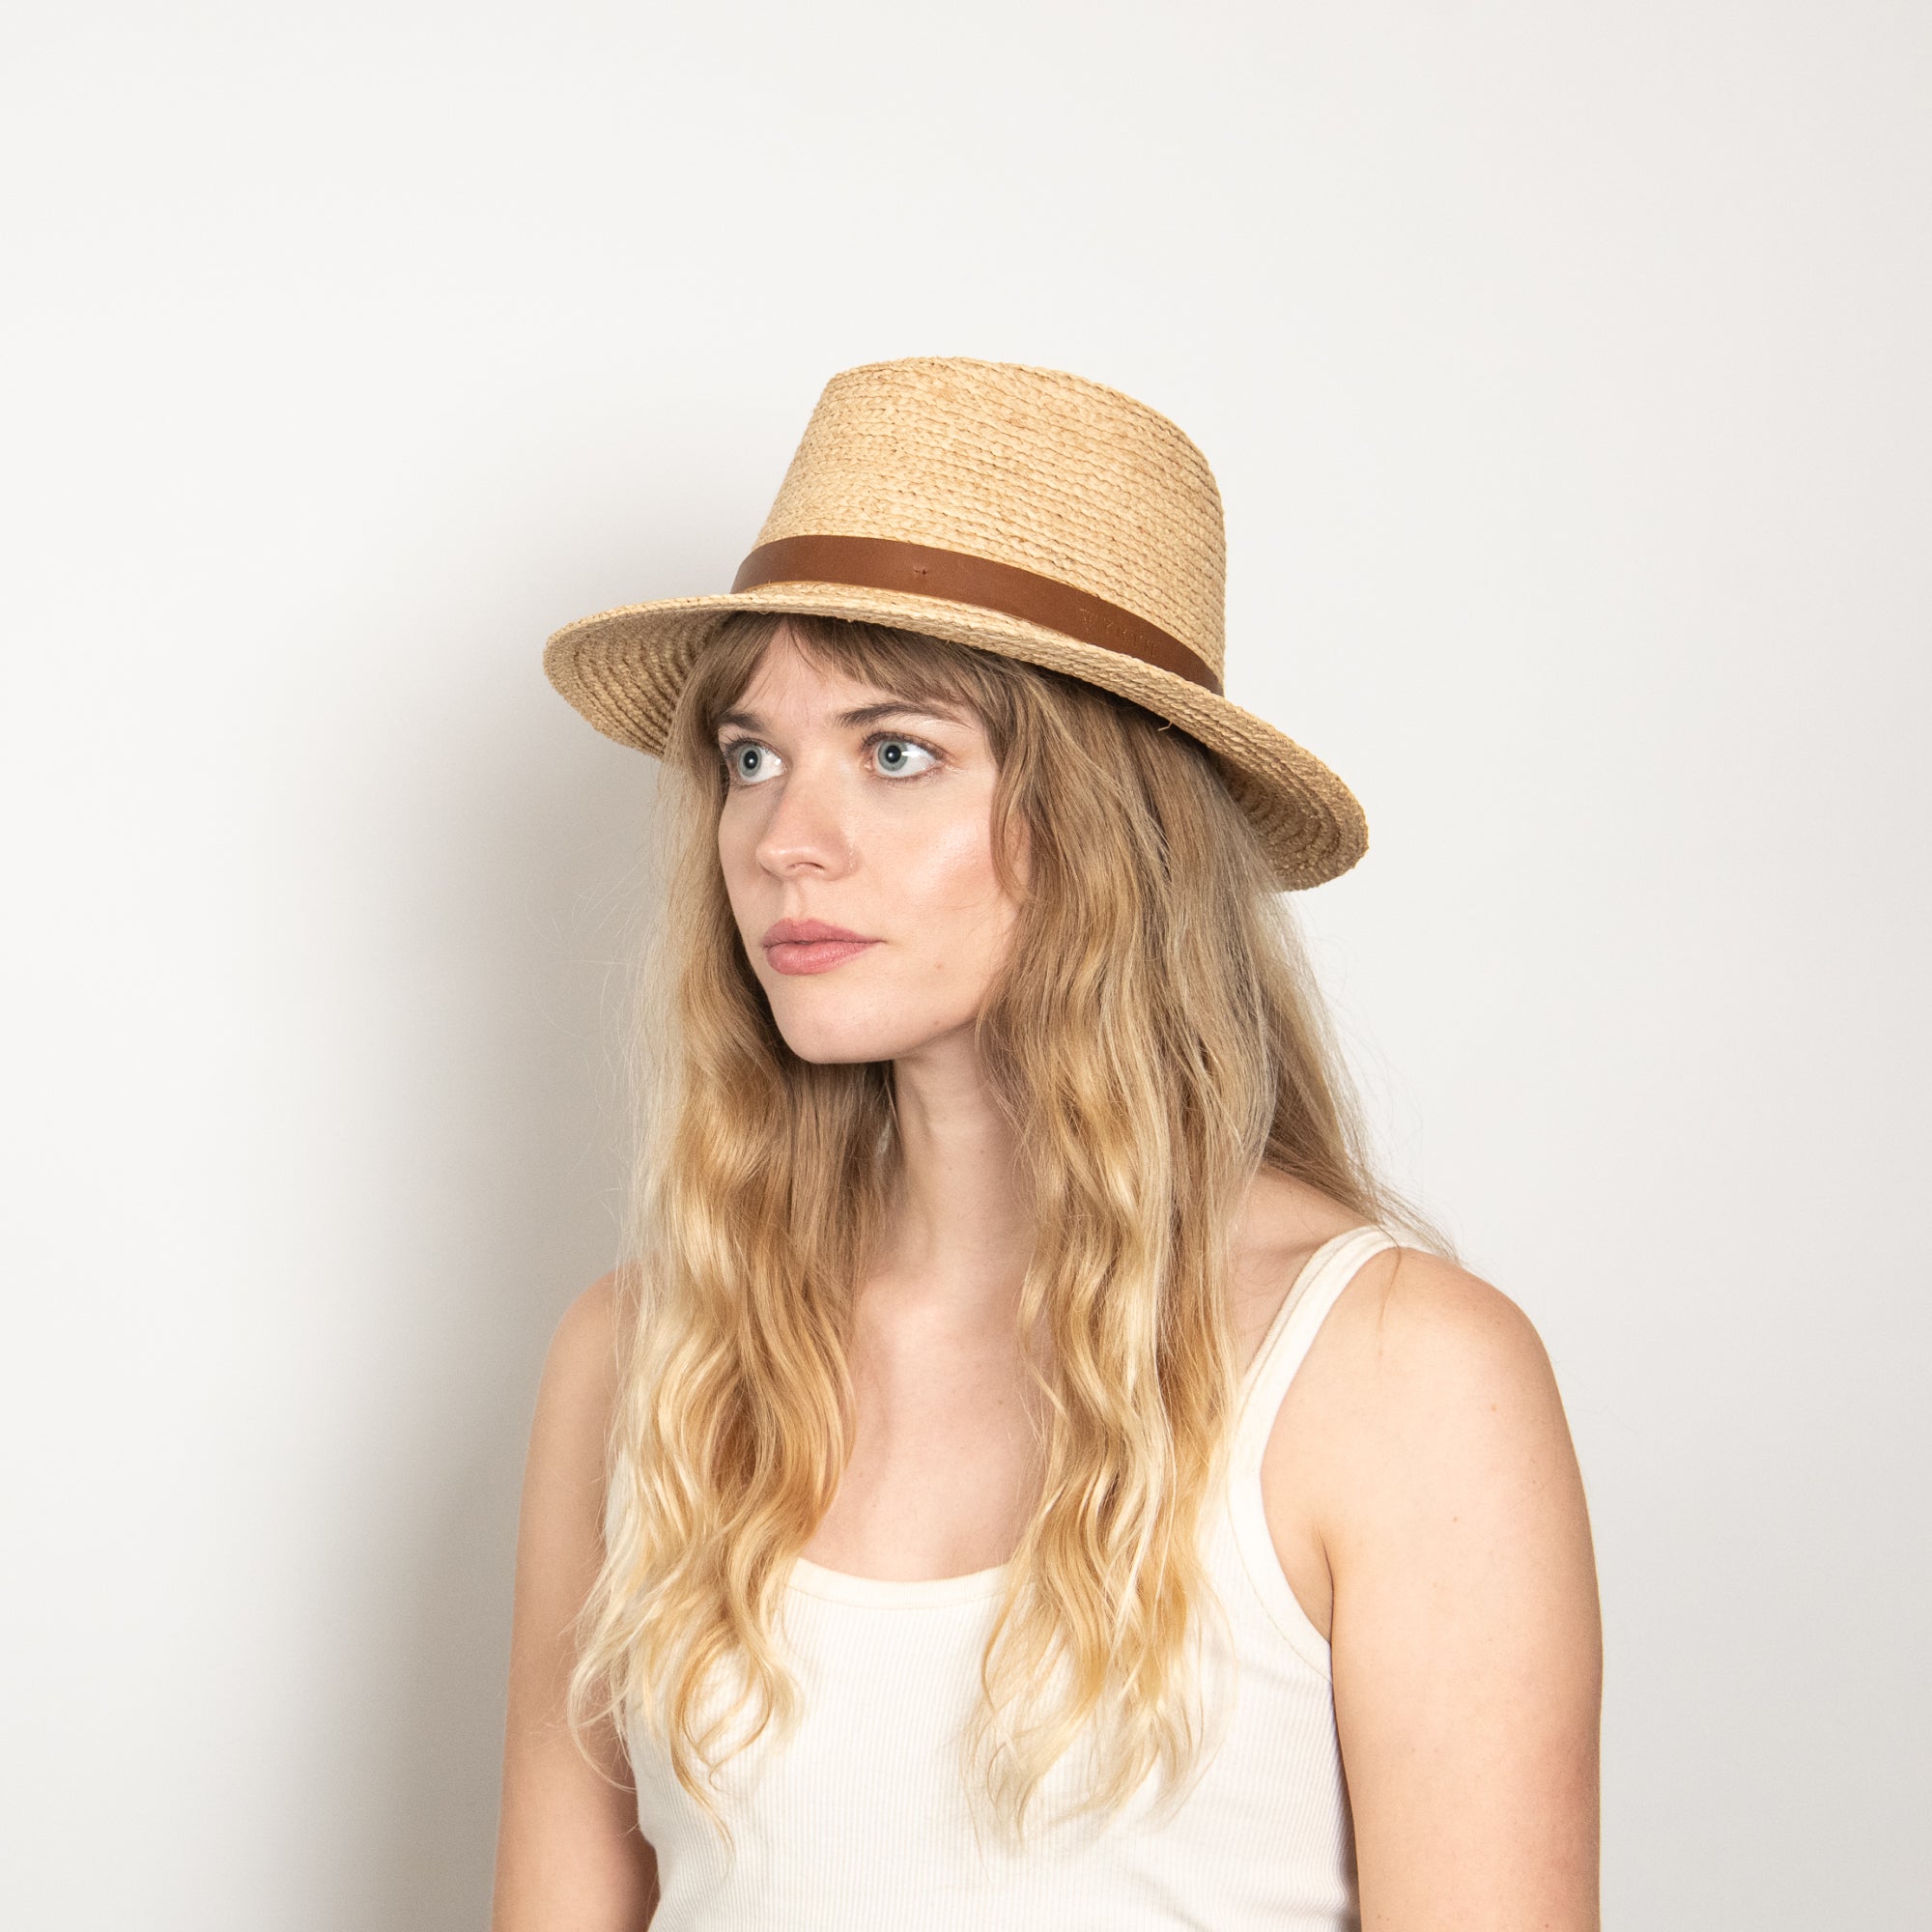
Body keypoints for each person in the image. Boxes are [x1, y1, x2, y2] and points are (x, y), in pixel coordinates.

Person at [491, 358, 1603, 1930]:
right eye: (752, 756)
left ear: (1106, 827)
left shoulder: (1393, 1372)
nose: (782, 838)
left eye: (895, 751)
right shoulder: (642, 1357)